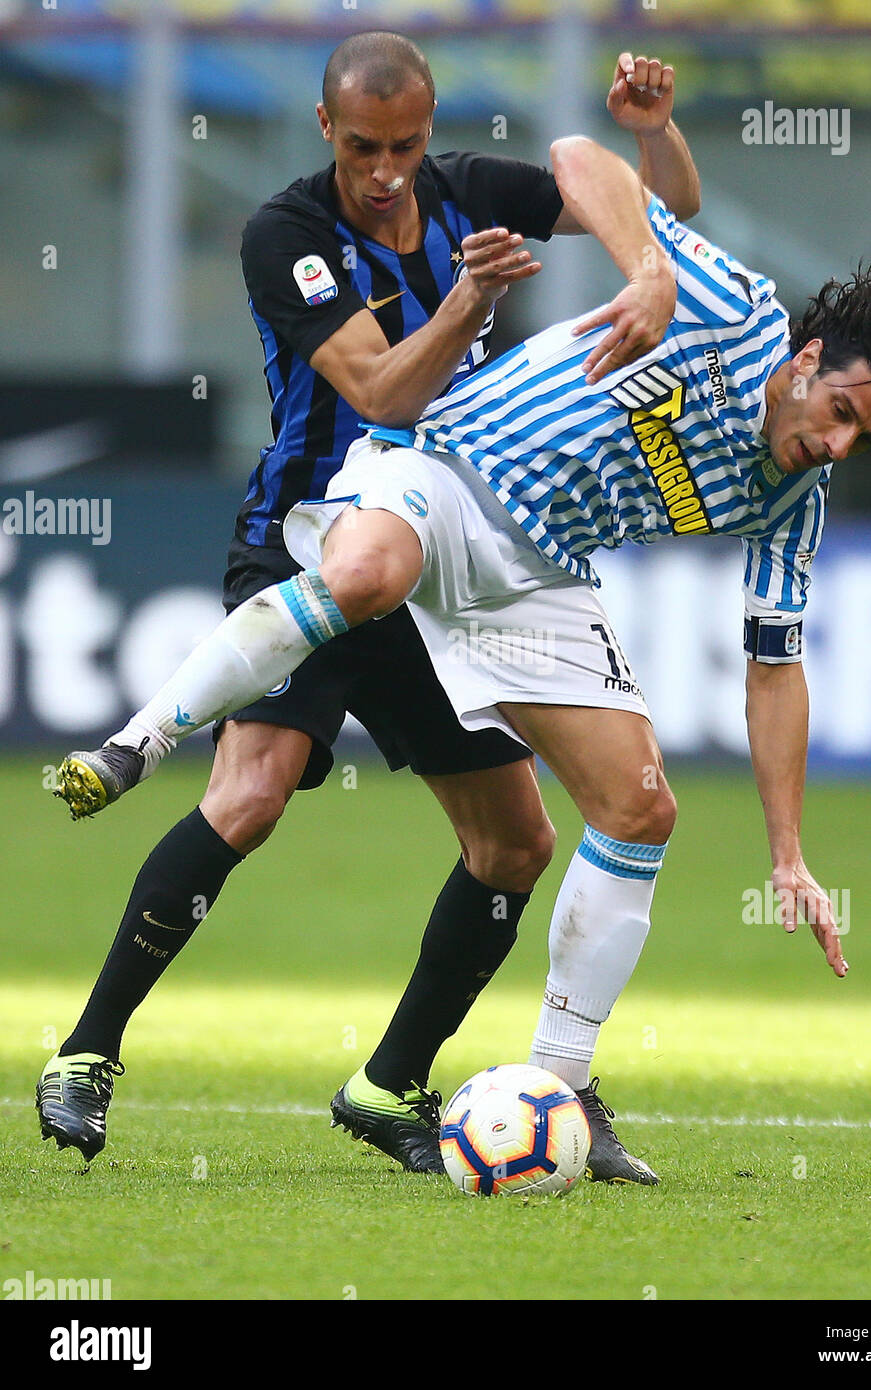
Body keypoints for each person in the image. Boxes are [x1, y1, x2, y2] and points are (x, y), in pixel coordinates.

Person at [46, 134, 871, 1188]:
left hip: (535, 575)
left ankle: (554, 1084)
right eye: (843, 413)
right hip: (444, 466)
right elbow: (579, 154)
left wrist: (788, 852)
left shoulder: (787, 502)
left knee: (634, 809)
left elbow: (775, 671)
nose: (841, 444)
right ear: (805, 365)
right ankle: (140, 738)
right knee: (358, 587)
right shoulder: (736, 310)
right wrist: (651, 269)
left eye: (868, 438)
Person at [39, 35, 702, 1183]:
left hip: (445, 565)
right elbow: (383, 387)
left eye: (403, 146)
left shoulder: (470, 191)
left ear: (429, 126)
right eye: (362, 148)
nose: (387, 171)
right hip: (313, 553)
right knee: (246, 800)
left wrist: (650, 136)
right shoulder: (285, 235)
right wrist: (470, 298)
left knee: (515, 843)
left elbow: (668, 231)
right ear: (322, 126)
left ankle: (387, 1081)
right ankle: (87, 1052)